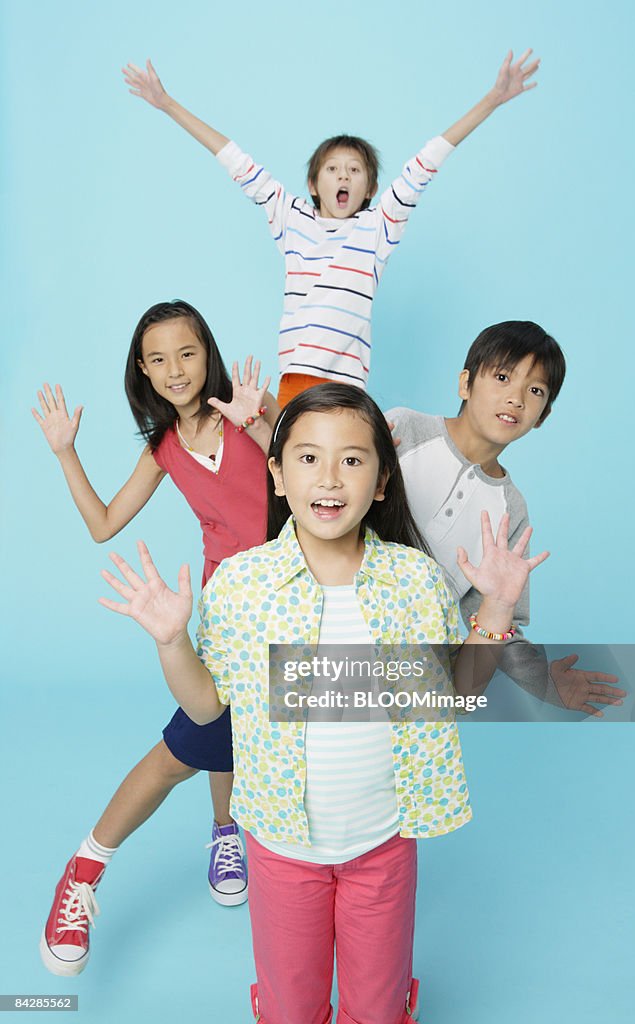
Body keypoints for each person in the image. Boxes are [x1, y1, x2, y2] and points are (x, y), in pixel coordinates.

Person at [98, 383, 548, 1024]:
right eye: (308, 458)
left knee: (377, 1007)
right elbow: (206, 709)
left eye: (353, 459)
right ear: (277, 476)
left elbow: (452, 696)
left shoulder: (415, 581)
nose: (330, 478)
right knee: (291, 1007)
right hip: (281, 849)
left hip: (384, 846)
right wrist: (173, 643)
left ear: (383, 481)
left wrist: (497, 608)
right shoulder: (242, 586)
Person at [32, 300, 278, 976]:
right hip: (230, 615)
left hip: (300, 604)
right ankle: (81, 873)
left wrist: (262, 421)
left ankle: (226, 830)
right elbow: (105, 523)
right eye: (159, 358)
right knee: (194, 743)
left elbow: (307, 475)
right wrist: (65, 453)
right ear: (142, 368)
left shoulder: (253, 410)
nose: (175, 369)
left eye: (187, 353)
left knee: (245, 734)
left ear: (209, 353)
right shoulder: (164, 447)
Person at [122, 51, 540, 405]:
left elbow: (424, 165)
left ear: (370, 188)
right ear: (313, 184)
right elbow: (235, 160)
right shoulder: (292, 219)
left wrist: (492, 100)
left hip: (349, 389)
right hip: (297, 380)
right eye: (333, 169)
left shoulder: (378, 228)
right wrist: (167, 103)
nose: (343, 177)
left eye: (354, 170)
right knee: (294, 484)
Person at [387, 321, 626, 715]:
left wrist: (543, 682)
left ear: (542, 416)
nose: (516, 398)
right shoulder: (405, 429)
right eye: (502, 377)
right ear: (465, 384)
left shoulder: (510, 509)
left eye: (534, 391)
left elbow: (501, 619)